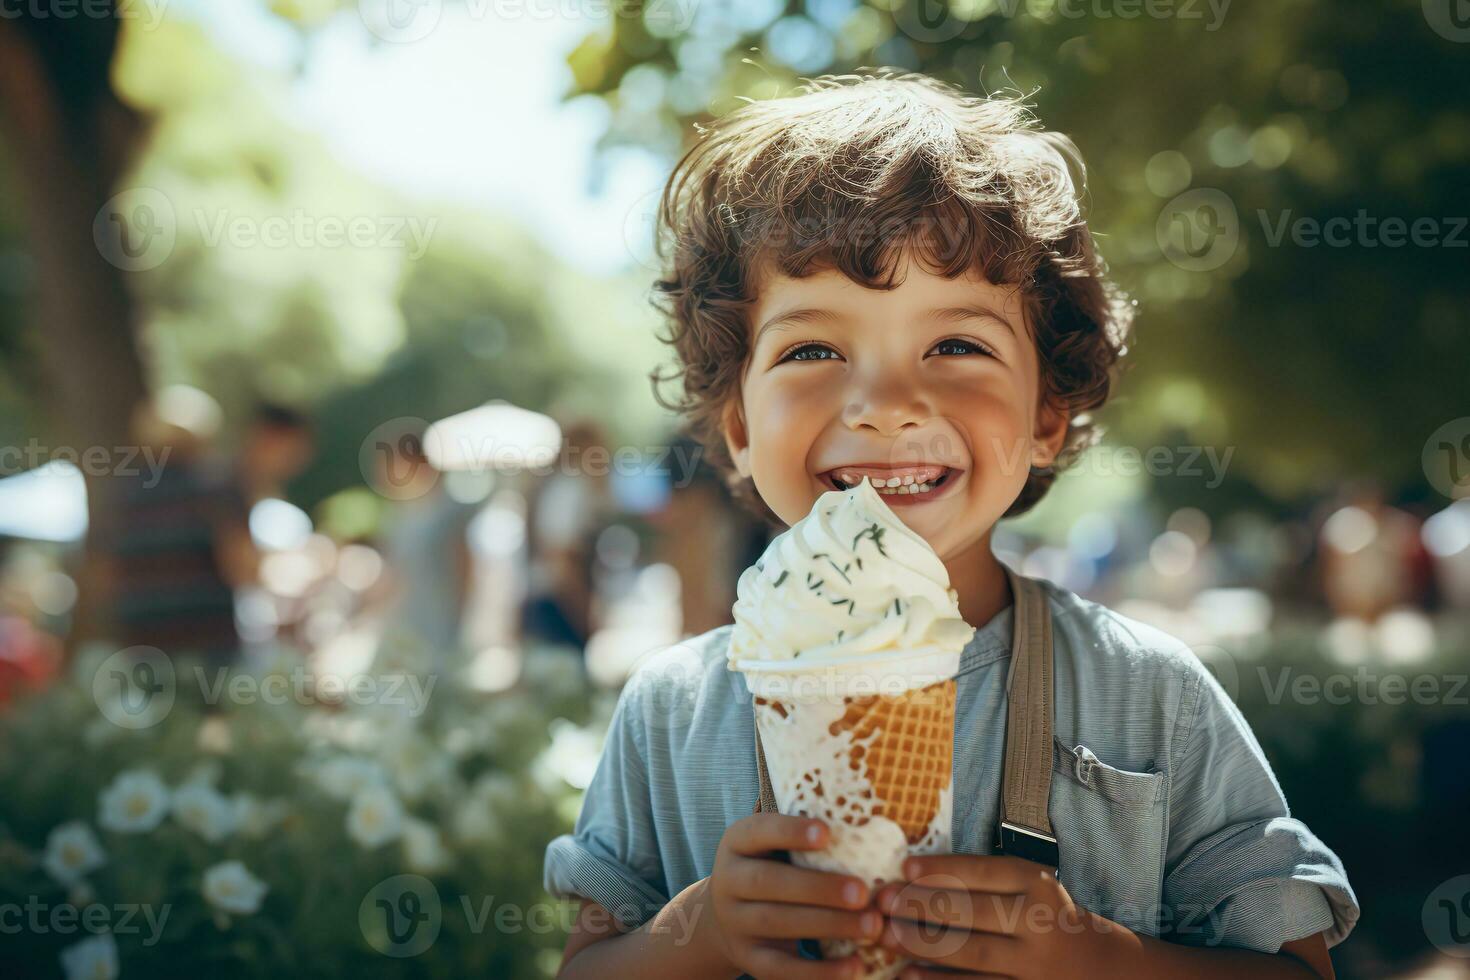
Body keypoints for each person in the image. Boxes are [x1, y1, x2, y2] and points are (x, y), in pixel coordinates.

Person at [543, 71, 1358, 980]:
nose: (887, 405)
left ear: (1047, 413)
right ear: (737, 424)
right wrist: (696, 935)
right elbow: (586, 964)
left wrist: (1095, 957)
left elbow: (1301, 967)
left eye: (957, 345)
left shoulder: (1149, 694)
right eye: (813, 349)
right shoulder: (671, 712)